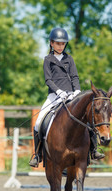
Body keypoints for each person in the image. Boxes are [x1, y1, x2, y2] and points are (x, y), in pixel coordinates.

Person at [29, 27, 104, 167]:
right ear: (51, 43)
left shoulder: (69, 59)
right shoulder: (48, 60)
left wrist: (77, 91)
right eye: (58, 43)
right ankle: (37, 155)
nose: (60, 46)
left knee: (87, 119)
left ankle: (94, 150)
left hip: (71, 95)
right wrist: (58, 91)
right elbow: (48, 80)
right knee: (38, 122)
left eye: (63, 43)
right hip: (54, 96)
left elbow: (75, 76)